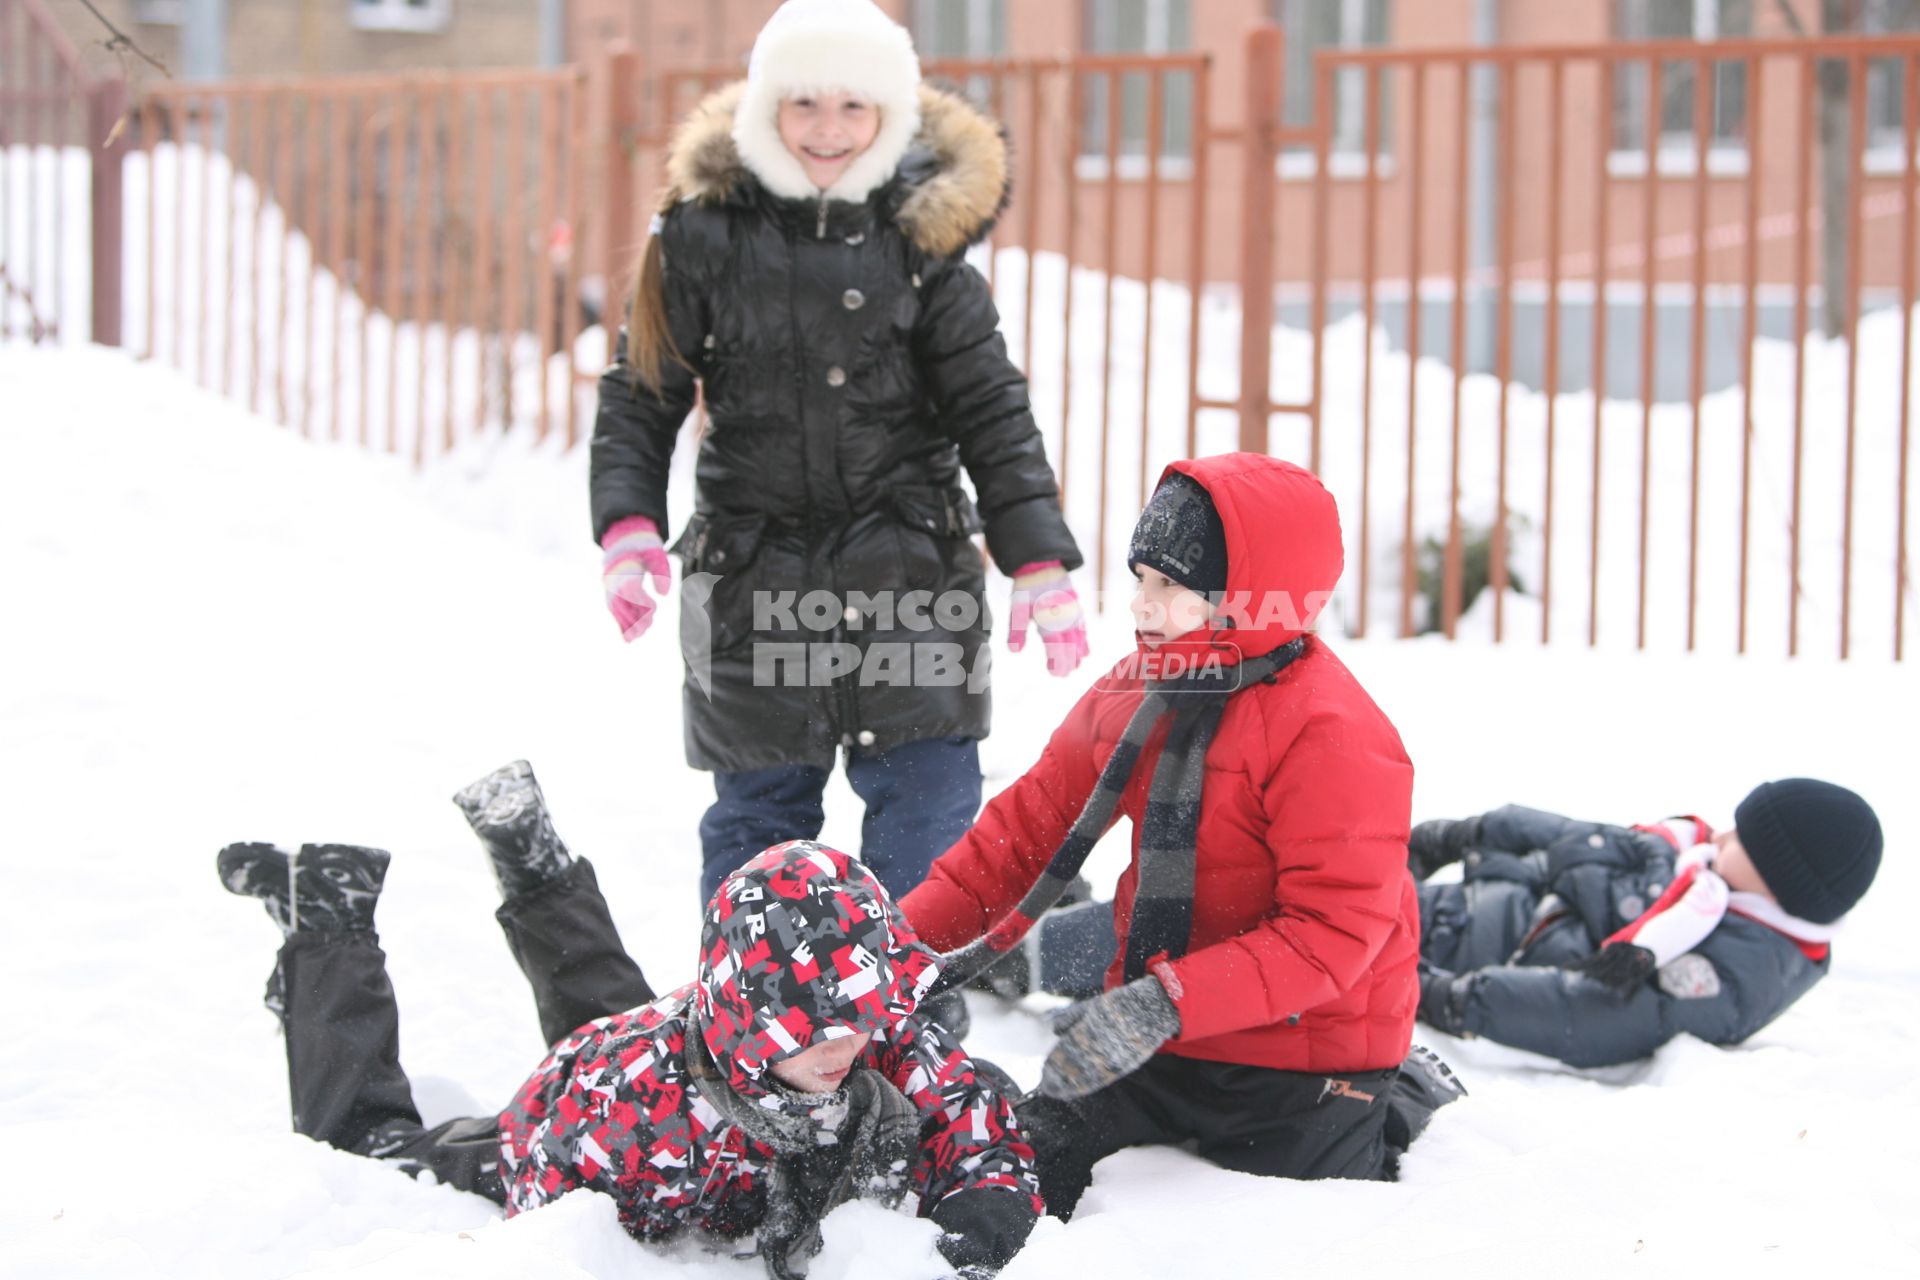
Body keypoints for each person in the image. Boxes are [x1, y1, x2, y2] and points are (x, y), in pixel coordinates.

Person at [590, 0, 1086, 908]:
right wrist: (627, 523)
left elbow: (990, 407)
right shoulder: (703, 236)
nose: (828, 130)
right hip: (752, 573)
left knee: (928, 816)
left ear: (890, 116)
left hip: (911, 573)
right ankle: (760, 1022)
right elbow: (642, 386)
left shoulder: (923, 243)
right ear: (763, 109)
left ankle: (910, 1023)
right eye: (804, 104)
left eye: (854, 108)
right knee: (759, 826)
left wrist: (1038, 558)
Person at [216, 760, 1041, 1279]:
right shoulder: (625, 1114)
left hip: (666, 1050)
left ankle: (532, 857)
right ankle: (330, 920)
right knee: (373, 1145)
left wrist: (981, 1214)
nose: (846, 1044)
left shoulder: (869, 1029)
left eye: (857, 1018)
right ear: (758, 1023)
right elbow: (548, 1215)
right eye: (812, 1029)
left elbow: (977, 1130)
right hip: (567, 1113)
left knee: (624, 1013)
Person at [900, 453, 1457, 1219]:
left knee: (1268, 1242)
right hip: (1153, 1043)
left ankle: (1399, 1103)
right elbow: (1019, 839)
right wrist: (887, 950)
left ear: (1248, 599)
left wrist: (1165, 1002)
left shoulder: (1335, 735)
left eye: (1171, 587)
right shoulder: (1140, 688)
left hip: (1303, 1067)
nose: (1141, 606)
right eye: (1140, 579)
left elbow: (1331, 933)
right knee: (1013, 1180)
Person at [1410, 778, 1883, 1069]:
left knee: (1346, 923)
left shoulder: (1736, 975)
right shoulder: (1696, 861)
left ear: (1775, 884)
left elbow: (1592, 1012)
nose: (1721, 833)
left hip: (1455, 952)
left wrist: (1447, 997)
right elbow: (1584, 843)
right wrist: (1466, 834)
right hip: (1468, 902)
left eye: (1742, 839)